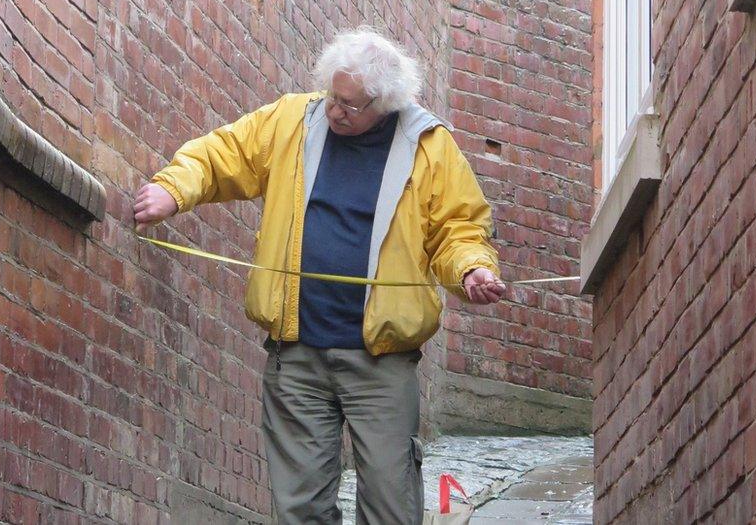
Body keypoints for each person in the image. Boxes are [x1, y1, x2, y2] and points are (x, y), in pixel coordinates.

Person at [134, 27, 506, 525]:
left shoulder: (429, 146)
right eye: (333, 96)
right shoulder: (293, 118)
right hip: (297, 354)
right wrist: (172, 191)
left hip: (382, 361)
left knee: (391, 504)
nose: (336, 111)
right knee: (299, 506)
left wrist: (472, 270)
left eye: (351, 106)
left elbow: (458, 229)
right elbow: (224, 154)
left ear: (385, 103)